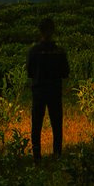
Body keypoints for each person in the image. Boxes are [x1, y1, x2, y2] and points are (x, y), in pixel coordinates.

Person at [26, 17, 70, 160]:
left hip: (39, 91)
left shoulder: (34, 51)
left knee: (36, 124)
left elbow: (29, 72)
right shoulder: (59, 51)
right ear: (53, 30)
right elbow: (65, 72)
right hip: (54, 91)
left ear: (40, 31)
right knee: (57, 124)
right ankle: (57, 154)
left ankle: (37, 156)